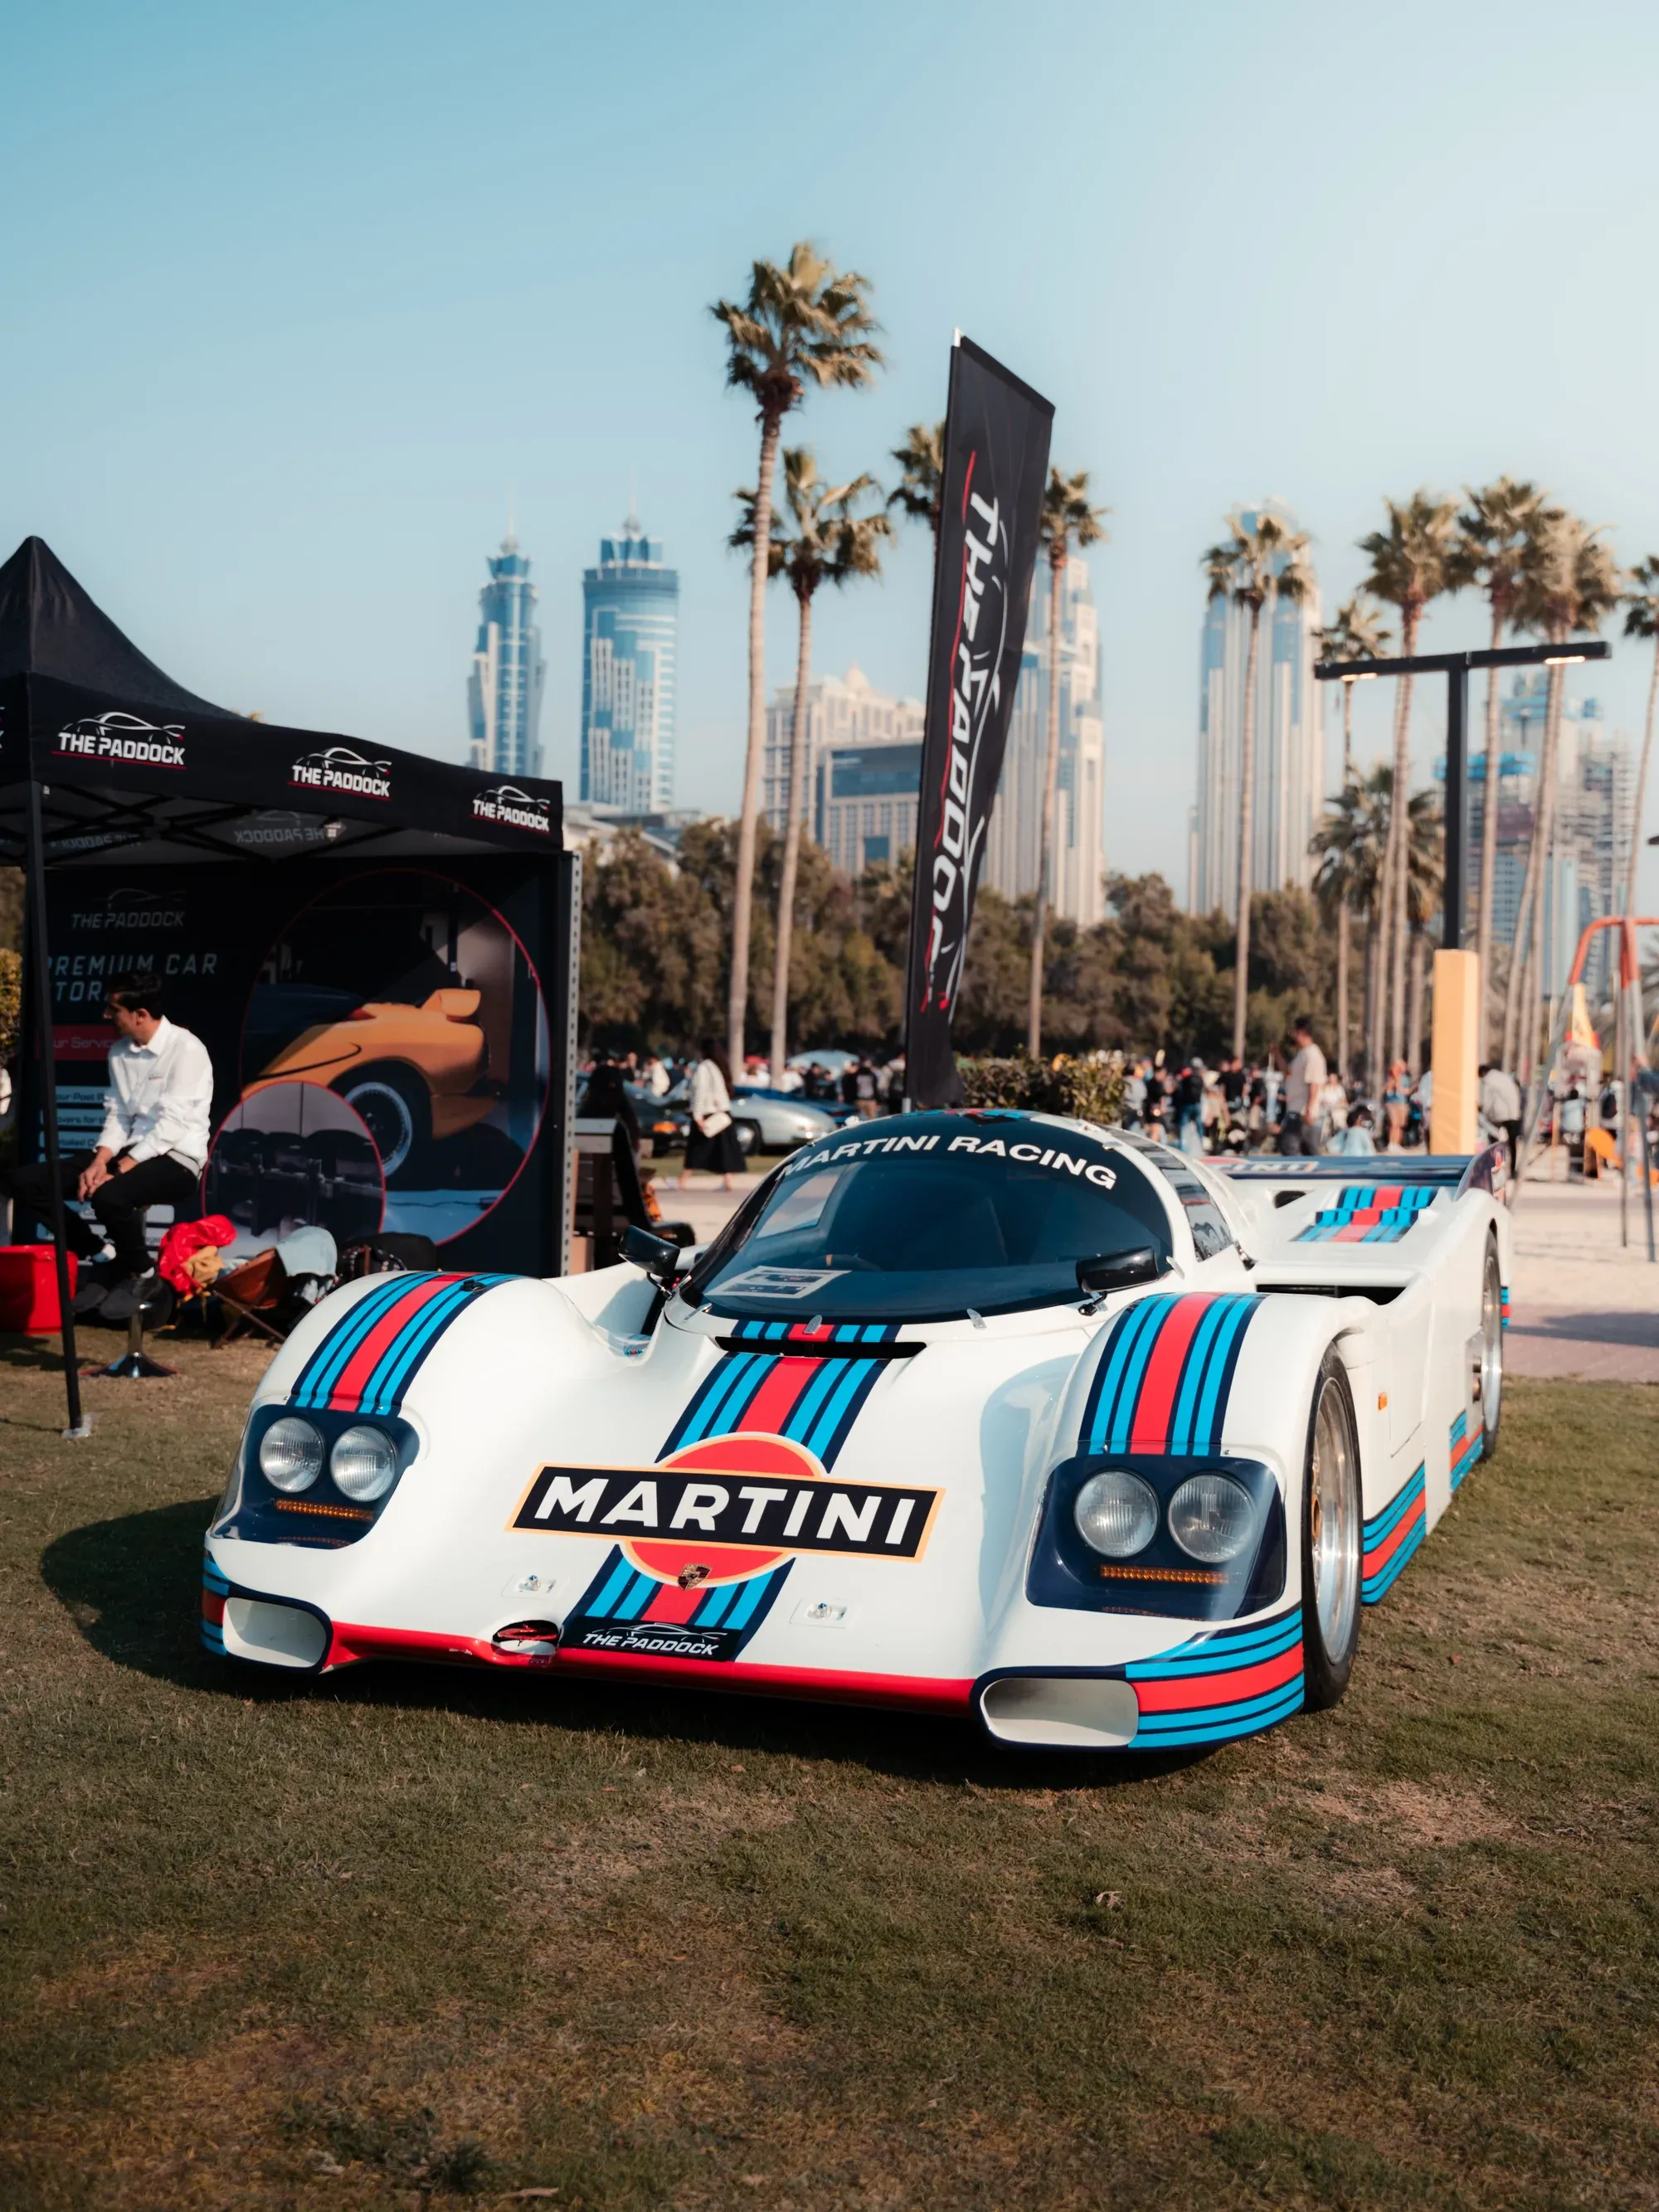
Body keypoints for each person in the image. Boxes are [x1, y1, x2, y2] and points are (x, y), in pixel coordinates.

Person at [1, 972, 211, 1322]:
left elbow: (172, 1126)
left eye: (113, 1009)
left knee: (108, 1196)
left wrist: (120, 1168)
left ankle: (143, 1275)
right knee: (24, 1182)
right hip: (129, 1152)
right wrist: (101, 1161)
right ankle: (101, 1256)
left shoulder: (187, 1049)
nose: (105, 1015)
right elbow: (118, 1115)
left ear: (140, 1014)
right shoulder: (119, 1053)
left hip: (179, 1158)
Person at [679, 1040, 744, 1191]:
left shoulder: (704, 1068)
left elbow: (700, 1092)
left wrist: (697, 1116)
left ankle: (682, 1181)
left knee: (695, 1149)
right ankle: (728, 1180)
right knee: (725, 1149)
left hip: (708, 1113)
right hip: (722, 1113)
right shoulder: (717, 1067)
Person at [1281, 1016, 1327, 1157]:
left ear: (1301, 1032)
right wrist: (1277, 1054)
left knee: (1290, 1146)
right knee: (1305, 1151)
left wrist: (1309, 1109)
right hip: (1295, 1108)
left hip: (1303, 1112)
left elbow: (1314, 1083)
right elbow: (1288, 1072)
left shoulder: (1313, 1055)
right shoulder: (1302, 1054)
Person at [1479, 1062, 1523, 1175]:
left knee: (1494, 1143)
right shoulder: (1505, 1077)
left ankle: (1496, 1168)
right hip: (1514, 1114)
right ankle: (1513, 1169)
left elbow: (1486, 1100)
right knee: (1512, 1144)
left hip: (1498, 1115)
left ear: (1482, 1073)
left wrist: (1483, 1112)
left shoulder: (1487, 1080)